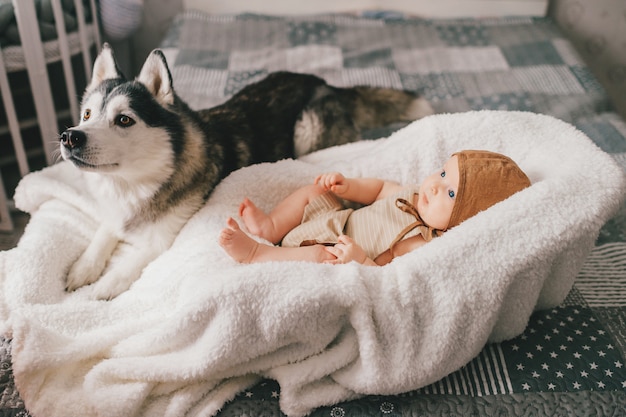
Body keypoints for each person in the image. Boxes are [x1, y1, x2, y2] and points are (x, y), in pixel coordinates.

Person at [219, 150, 531, 265]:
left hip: (335, 246)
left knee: (321, 258)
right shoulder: (412, 194)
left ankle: (259, 254)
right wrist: (347, 186)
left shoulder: (422, 243)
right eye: (443, 172)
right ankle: (272, 226)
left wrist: (357, 260)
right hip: (334, 218)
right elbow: (379, 188)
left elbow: (386, 276)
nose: (435, 185)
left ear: (465, 221)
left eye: (450, 194)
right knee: (314, 191)